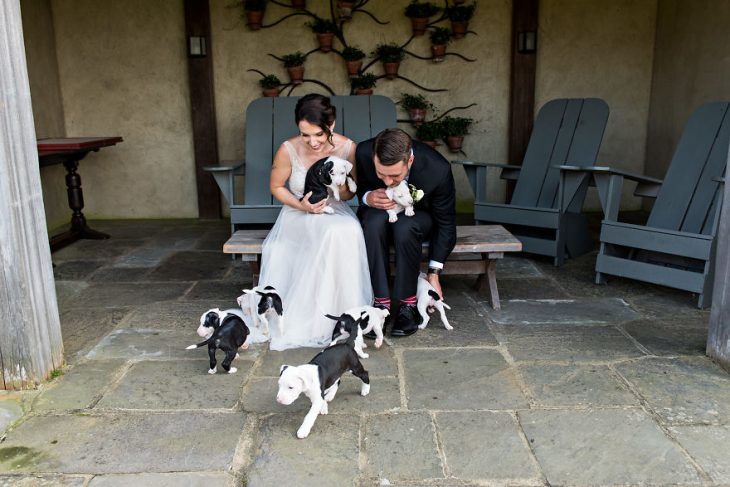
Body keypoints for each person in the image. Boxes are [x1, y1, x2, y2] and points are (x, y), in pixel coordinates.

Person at [259, 94, 373, 350]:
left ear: (330, 125)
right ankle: (315, 319)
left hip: (335, 211)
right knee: (334, 232)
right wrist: (302, 205)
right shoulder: (288, 149)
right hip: (298, 215)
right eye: (305, 134)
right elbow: (276, 187)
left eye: (318, 135)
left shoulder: (347, 148)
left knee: (347, 229)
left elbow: (350, 193)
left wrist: (339, 188)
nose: (312, 142)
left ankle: (344, 314)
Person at [356, 128, 456, 337]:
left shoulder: (437, 169)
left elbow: (446, 223)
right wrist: (368, 197)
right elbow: (361, 188)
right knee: (373, 223)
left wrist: (434, 273)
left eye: (394, 175)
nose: (386, 182)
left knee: (405, 226)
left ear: (409, 161)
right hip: (380, 214)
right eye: (380, 174)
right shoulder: (364, 151)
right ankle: (380, 303)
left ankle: (407, 304)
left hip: (419, 217)